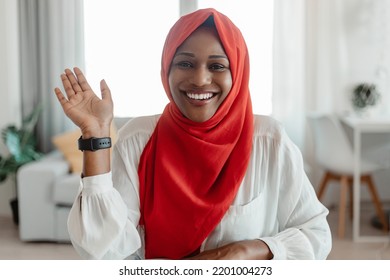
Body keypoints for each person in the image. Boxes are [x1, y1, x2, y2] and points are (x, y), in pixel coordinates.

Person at [54, 8, 332, 260]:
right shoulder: (138, 140)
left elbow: (316, 234)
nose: (200, 79)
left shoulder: (269, 141)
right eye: (185, 63)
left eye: (217, 66)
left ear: (238, 73)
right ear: (167, 70)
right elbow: (103, 250)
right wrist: (97, 136)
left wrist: (248, 250)